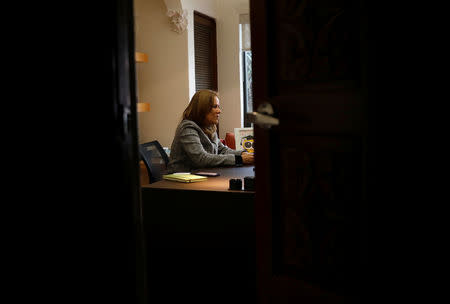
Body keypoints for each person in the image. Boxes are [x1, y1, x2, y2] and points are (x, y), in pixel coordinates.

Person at [167, 89, 254, 173]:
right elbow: (201, 159)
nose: (219, 111)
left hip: (200, 175)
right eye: (215, 107)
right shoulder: (187, 128)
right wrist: (239, 159)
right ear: (202, 109)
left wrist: (244, 153)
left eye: (218, 107)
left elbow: (222, 150)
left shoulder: (210, 126)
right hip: (180, 179)